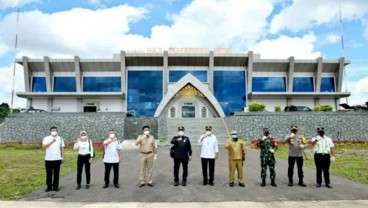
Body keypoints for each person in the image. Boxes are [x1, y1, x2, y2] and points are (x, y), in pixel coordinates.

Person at [42, 126, 65, 192]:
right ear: (50, 131)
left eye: (55, 130)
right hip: (48, 159)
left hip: (57, 159)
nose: (54, 131)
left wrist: (62, 157)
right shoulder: (46, 138)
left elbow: (62, 148)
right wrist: (52, 141)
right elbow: (44, 146)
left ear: (57, 131)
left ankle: (55, 186)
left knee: (56, 174)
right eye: (52, 130)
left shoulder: (60, 138)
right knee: (49, 173)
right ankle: (49, 187)